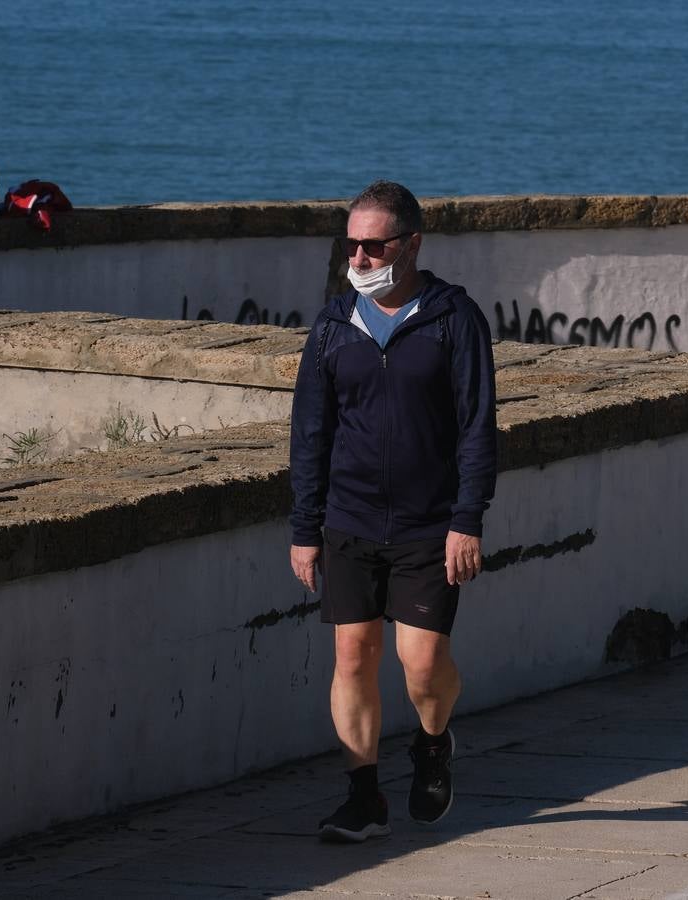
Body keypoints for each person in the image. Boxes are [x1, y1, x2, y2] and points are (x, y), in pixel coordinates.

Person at [289, 180, 498, 843]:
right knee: (352, 657)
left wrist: (467, 519)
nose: (359, 257)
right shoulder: (331, 326)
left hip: (428, 526)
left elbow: (476, 429)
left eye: (373, 244)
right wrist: (304, 529)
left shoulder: (454, 320)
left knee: (420, 664)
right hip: (349, 521)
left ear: (410, 245)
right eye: (351, 244)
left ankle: (434, 743)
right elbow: (310, 434)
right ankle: (363, 797)